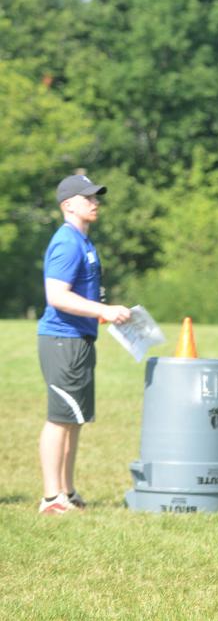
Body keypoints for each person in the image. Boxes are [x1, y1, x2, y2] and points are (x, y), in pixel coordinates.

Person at [36, 174, 131, 514]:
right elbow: (57, 296)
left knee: (73, 418)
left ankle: (67, 491)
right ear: (68, 205)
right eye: (88, 198)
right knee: (59, 419)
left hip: (79, 338)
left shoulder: (84, 242)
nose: (95, 203)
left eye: (96, 197)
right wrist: (103, 309)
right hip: (62, 340)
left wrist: (102, 314)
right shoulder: (67, 242)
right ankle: (51, 498)